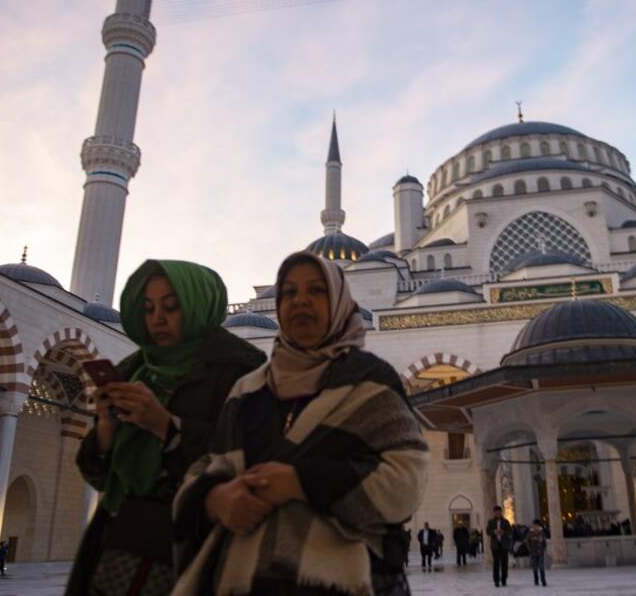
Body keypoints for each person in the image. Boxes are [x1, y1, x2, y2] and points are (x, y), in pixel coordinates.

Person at [170, 252, 429, 595]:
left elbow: (405, 482)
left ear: (338, 302)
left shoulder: (370, 381)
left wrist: (300, 482)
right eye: (288, 293)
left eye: (316, 290)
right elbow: (206, 466)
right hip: (244, 579)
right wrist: (215, 498)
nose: (300, 300)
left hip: (347, 582)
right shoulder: (248, 389)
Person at [65, 260, 266, 595]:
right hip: (117, 545)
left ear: (198, 306)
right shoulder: (134, 370)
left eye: (172, 306)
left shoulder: (241, 372)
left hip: (191, 547)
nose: (158, 318)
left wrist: (166, 425)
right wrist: (106, 424)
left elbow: (248, 457)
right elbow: (98, 474)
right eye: (148, 308)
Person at [486, 506, 512, 588]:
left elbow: (510, 531)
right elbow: (488, 531)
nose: (498, 514)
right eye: (496, 512)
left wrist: (503, 532)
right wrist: (494, 532)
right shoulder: (491, 522)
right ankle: (496, 580)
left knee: (504, 563)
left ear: (501, 512)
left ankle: (504, 579)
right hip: (495, 545)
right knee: (496, 563)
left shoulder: (506, 521)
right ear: (494, 513)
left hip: (504, 545)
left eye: (499, 512)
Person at [524, 520, 547, 587]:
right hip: (533, 552)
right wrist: (529, 549)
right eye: (534, 525)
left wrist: (543, 549)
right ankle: (536, 580)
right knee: (535, 568)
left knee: (541, 567)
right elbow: (527, 542)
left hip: (540, 552)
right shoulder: (530, 533)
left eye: (537, 525)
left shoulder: (542, 533)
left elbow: (544, 543)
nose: (535, 527)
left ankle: (543, 580)